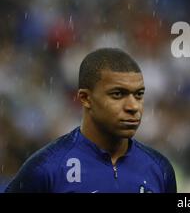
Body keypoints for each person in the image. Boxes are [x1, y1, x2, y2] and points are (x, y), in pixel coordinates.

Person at [5, 48, 176, 193]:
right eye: (117, 94)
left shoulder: (159, 168)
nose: (133, 106)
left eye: (138, 95)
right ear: (85, 98)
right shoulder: (46, 168)